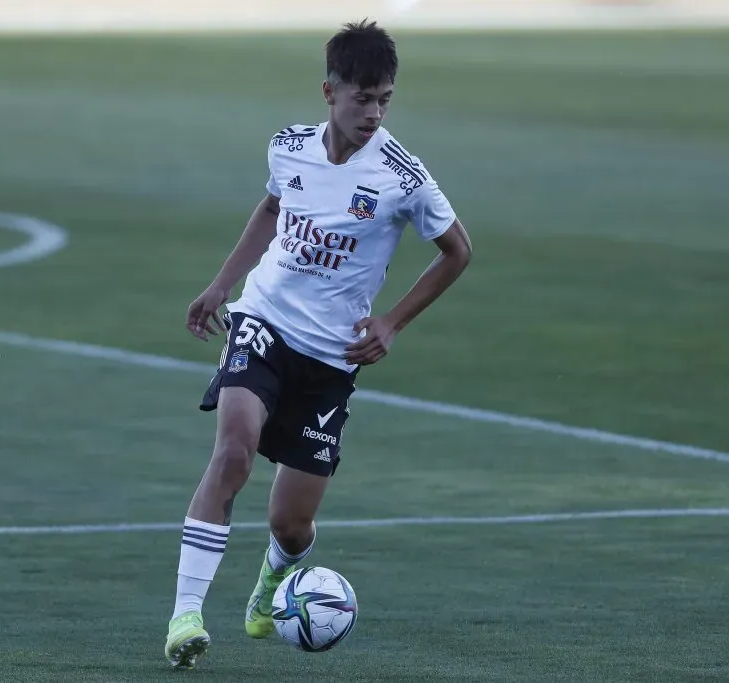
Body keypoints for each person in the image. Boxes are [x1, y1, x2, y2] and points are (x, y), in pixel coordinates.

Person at [164, 18, 473, 668]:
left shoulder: (402, 175)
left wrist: (391, 322)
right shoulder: (289, 146)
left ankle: (275, 577)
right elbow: (273, 208)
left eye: (385, 97)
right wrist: (222, 285)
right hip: (264, 323)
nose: (374, 111)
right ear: (329, 91)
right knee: (233, 457)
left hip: (332, 358)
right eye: (363, 97)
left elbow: (457, 251)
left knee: (291, 524)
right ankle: (186, 615)